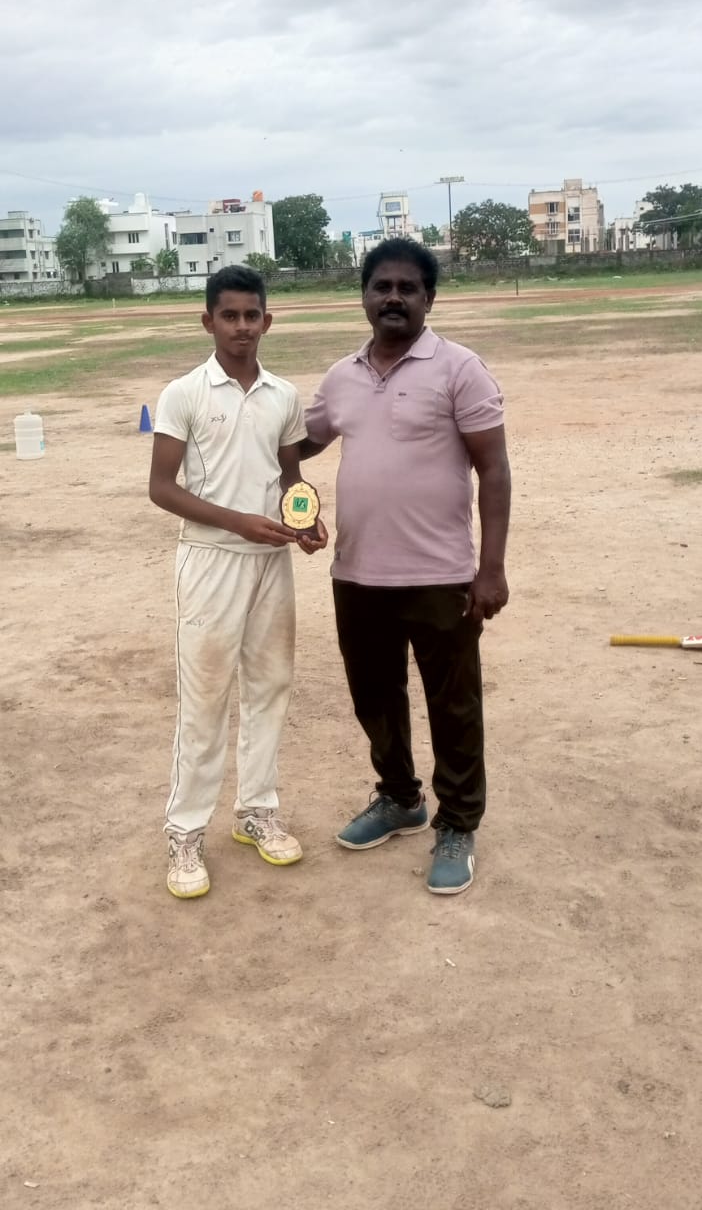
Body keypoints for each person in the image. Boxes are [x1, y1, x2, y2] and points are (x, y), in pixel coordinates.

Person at [301, 239, 510, 896]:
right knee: (375, 699)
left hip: (440, 575)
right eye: (381, 286)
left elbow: (494, 469)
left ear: (429, 298)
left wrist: (492, 569)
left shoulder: (459, 369)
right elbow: (296, 446)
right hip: (357, 573)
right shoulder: (341, 376)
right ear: (363, 295)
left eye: (407, 287)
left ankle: (458, 822)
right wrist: (293, 500)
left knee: (454, 706)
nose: (393, 297)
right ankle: (399, 799)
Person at [149, 265, 327, 900]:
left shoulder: (282, 394)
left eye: (252, 315)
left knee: (271, 685)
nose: (242, 327)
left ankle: (256, 812)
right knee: (205, 697)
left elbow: (289, 479)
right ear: (208, 321)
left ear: (267, 321)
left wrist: (306, 519)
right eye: (230, 315)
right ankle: (186, 831)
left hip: (270, 561)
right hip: (210, 560)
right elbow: (161, 488)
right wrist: (238, 523)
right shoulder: (184, 394)